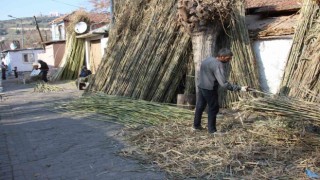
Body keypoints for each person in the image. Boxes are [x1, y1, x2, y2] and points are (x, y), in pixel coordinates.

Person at [193, 48, 249, 134]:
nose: (229, 60)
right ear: (222, 57)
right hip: (210, 88)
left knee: (200, 106)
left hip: (201, 86)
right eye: (228, 58)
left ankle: (196, 126)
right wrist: (239, 88)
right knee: (213, 108)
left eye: (230, 58)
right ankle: (212, 131)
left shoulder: (208, 59)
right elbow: (223, 83)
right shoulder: (218, 65)